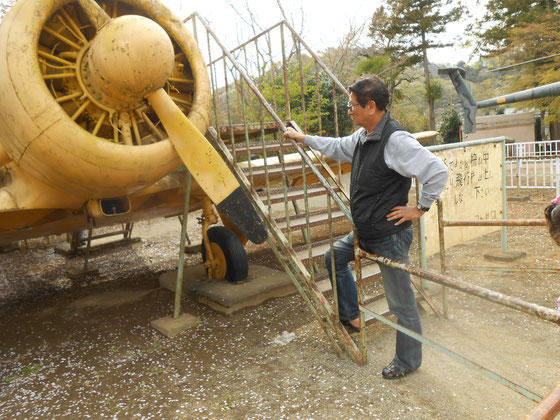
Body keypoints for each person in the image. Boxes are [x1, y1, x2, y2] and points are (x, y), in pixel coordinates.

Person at [283, 75, 448, 379]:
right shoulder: (362, 136)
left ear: (371, 106)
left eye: (352, 106)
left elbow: (437, 170)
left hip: (390, 235)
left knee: (401, 303)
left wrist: (420, 208)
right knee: (334, 257)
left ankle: (408, 361)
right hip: (366, 231)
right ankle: (351, 316)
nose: (349, 111)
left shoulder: (396, 140)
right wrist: (303, 138)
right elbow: (335, 146)